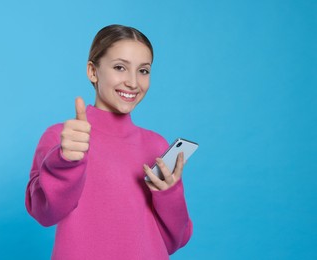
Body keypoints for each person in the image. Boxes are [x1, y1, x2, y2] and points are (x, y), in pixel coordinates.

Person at [25, 24, 193, 260]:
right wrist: (65, 163)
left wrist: (170, 195)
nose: (133, 82)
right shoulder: (63, 138)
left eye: (143, 71)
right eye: (120, 68)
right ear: (93, 71)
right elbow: (45, 213)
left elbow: (174, 240)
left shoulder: (155, 145)